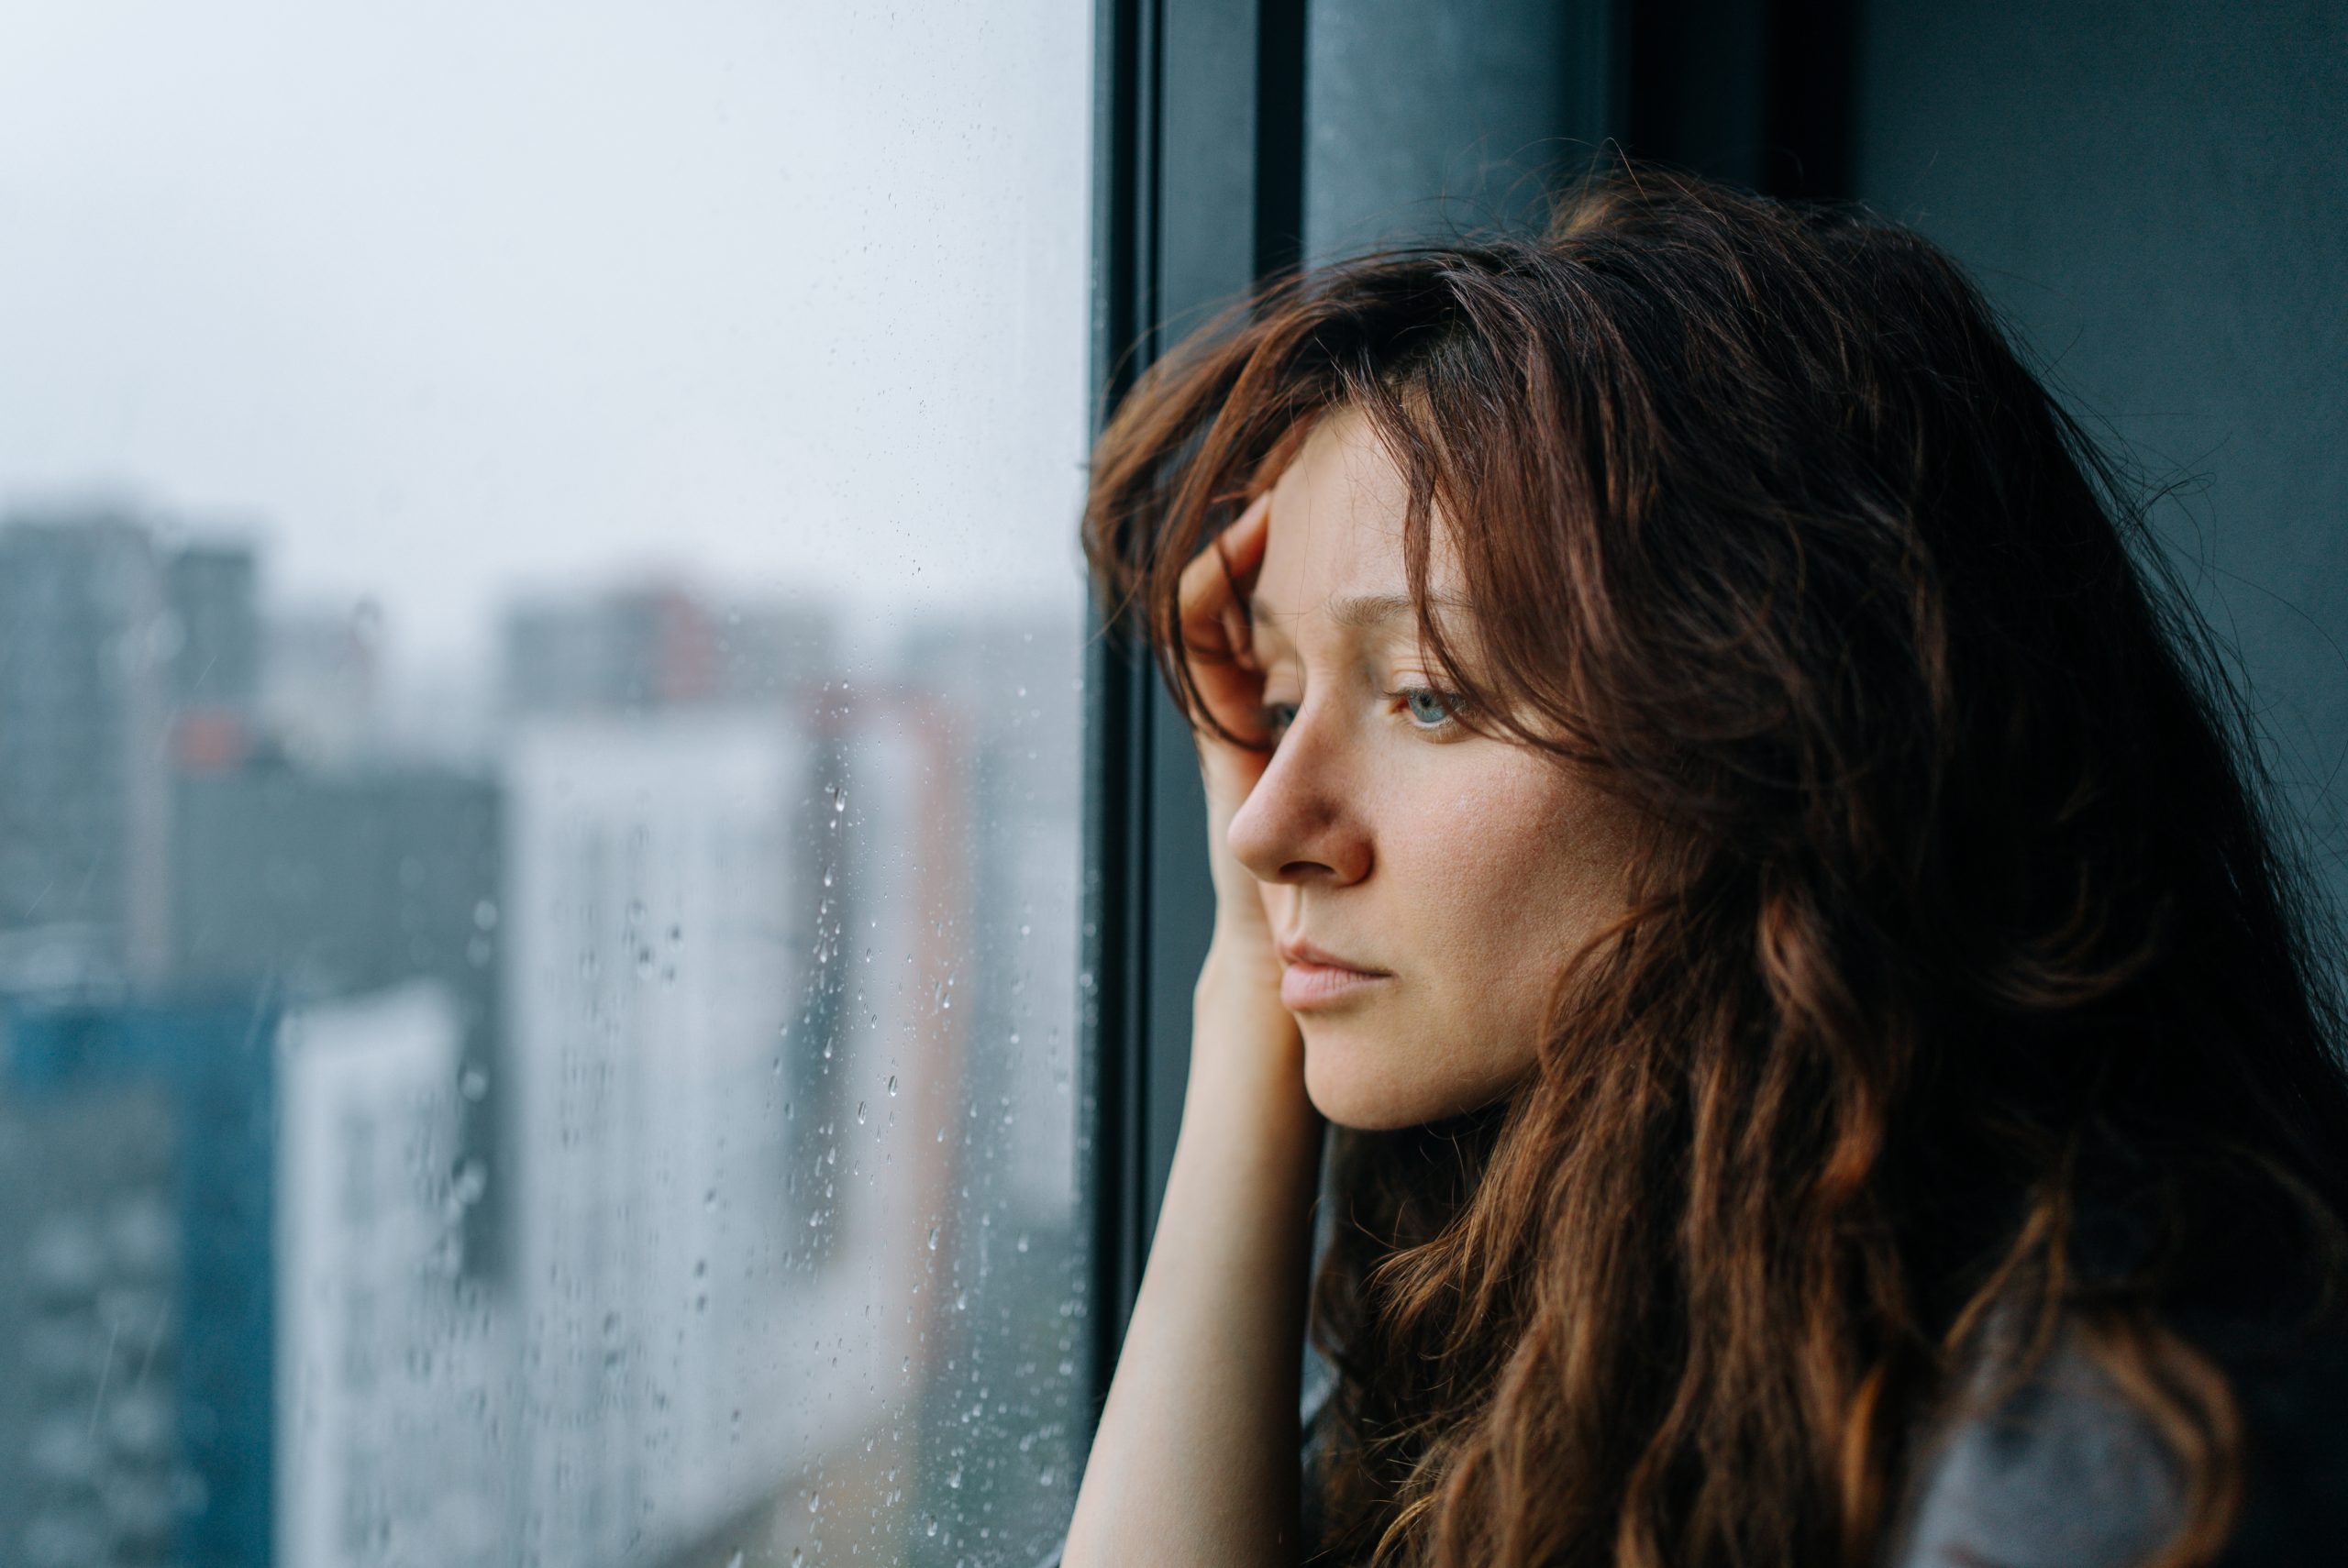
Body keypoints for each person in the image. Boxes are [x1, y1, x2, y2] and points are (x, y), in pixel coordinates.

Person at [1052, 166, 2348, 1568]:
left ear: (1785, 739)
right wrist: (1251, 972)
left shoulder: (2109, 1450)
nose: (1263, 825)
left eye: (1428, 694)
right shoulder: (1553, 1283)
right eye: (1282, 700)